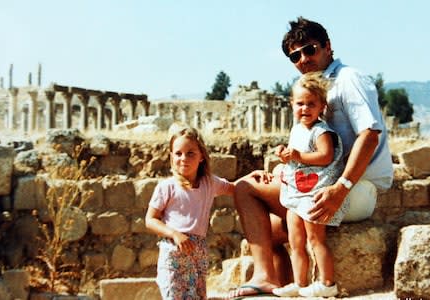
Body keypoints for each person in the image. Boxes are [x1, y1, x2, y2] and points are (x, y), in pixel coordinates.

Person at [228, 17, 393, 298]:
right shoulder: (314, 88)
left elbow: (369, 135)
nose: (303, 59)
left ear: (328, 47)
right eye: (295, 55)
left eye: (309, 49)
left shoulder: (348, 79)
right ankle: (290, 285)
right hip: (322, 183)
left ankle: (265, 277)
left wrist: (342, 188)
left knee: (243, 188)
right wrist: (283, 172)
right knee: (270, 232)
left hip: (354, 189)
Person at [271, 72, 344, 297]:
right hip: (296, 193)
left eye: (311, 104)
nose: (305, 108)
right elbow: (295, 156)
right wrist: (284, 154)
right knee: (296, 240)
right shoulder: (297, 130)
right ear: (292, 104)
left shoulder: (321, 131)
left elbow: (325, 156)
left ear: (322, 106)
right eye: (300, 103)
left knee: (315, 238)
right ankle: (300, 283)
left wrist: (297, 155)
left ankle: (327, 283)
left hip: (314, 192)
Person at [145, 127, 235, 299]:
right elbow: (150, 220)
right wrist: (174, 234)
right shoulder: (167, 187)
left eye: (190, 153)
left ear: (201, 156)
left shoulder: (209, 183)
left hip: (198, 253)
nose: (183, 158)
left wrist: (255, 177)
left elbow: (235, 188)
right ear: (171, 156)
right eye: (178, 153)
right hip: (174, 251)